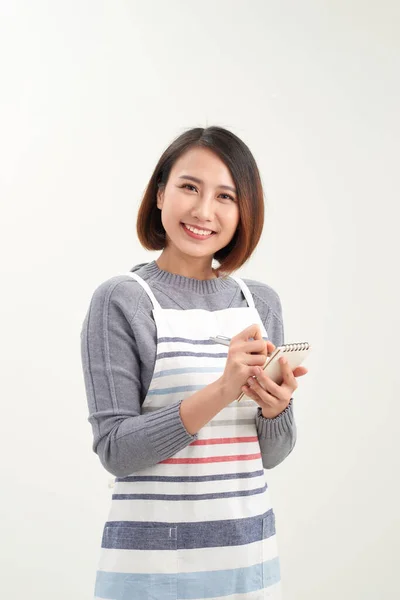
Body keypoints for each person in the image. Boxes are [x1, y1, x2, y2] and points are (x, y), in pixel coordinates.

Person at [80, 125, 308, 600]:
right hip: (149, 573)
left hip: (248, 564)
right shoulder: (122, 300)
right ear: (160, 193)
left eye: (225, 196)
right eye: (189, 187)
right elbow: (116, 450)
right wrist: (222, 391)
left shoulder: (259, 302)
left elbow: (270, 454)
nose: (204, 211)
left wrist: (275, 409)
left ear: (243, 211)